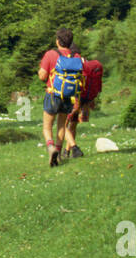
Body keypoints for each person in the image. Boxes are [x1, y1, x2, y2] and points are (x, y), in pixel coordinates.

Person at [37, 28, 83, 166]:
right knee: (62, 125)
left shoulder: (51, 54)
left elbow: (42, 75)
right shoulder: (76, 56)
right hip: (68, 96)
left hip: (53, 94)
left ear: (58, 41)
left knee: (47, 126)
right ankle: (58, 153)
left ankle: (51, 147)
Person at [64, 46, 102, 158]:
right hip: (86, 99)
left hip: (75, 99)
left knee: (63, 125)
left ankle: (74, 149)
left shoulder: (73, 63)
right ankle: (67, 152)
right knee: (73, 125)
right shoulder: (86, 63)